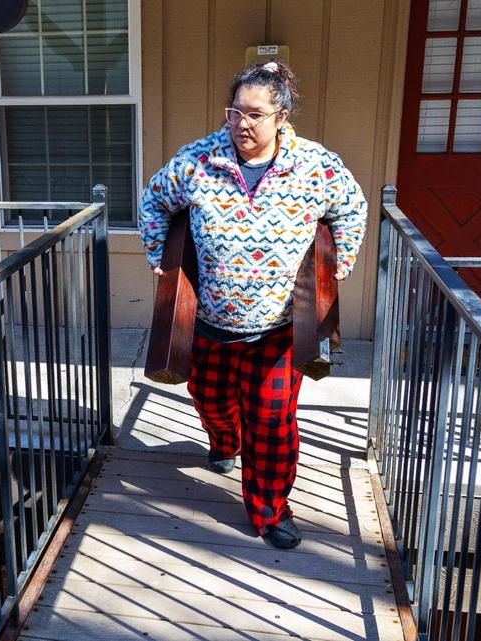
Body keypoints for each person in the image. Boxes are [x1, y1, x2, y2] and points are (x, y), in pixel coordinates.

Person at [137, 60, 367, 549]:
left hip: (279, 326)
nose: (242, 123)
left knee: (271, 420)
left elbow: (352, 208)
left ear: (282, 116)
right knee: (211, 402)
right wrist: (161, 256)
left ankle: (270, 511)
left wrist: (339, 262)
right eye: (234, 112)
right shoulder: (197, 161)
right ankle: (223, 440)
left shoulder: (316, 166)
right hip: (209, 320)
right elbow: (154, 200)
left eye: (255, 114)